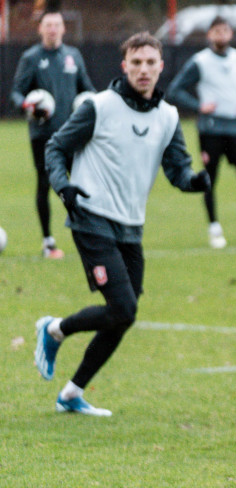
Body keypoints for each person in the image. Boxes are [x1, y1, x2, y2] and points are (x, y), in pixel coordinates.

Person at [34, 32, 211, 417]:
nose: (144, 69)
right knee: (123, 306)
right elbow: (56, 148)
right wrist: (63, 186)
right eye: (136, 62)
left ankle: (70, 392)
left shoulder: (168, 116)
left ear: (161, 66)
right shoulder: (100, 107)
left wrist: (194, 181)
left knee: (123, 314)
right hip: (91, 218)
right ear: (124, 66)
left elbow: (177, 168)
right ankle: (53, 329)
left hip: (131, 226)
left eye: (150, 62)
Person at [168, 16, 236, 249]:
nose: (221, 35)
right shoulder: (200, 61)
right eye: (216, 31)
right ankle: (214, 229)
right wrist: (198, 106)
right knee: (210, 179)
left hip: (235, 128)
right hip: (210, 130)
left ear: (230, 34)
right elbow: (175, 89)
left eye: (225, 30)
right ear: (209, 35)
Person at [9, 10, 95, 259]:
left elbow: (87, 89)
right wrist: (27, 104)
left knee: (81, 182)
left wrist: (92, 102)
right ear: (41, 29)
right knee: (45, 183)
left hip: (72, 134)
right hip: (43, 135)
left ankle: (88, 236)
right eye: (48, 25)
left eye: (57, 24)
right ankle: (48, 242)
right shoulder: (31, 58)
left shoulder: (73, 56)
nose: (53, 29)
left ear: (63, 29)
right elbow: (16, 92)